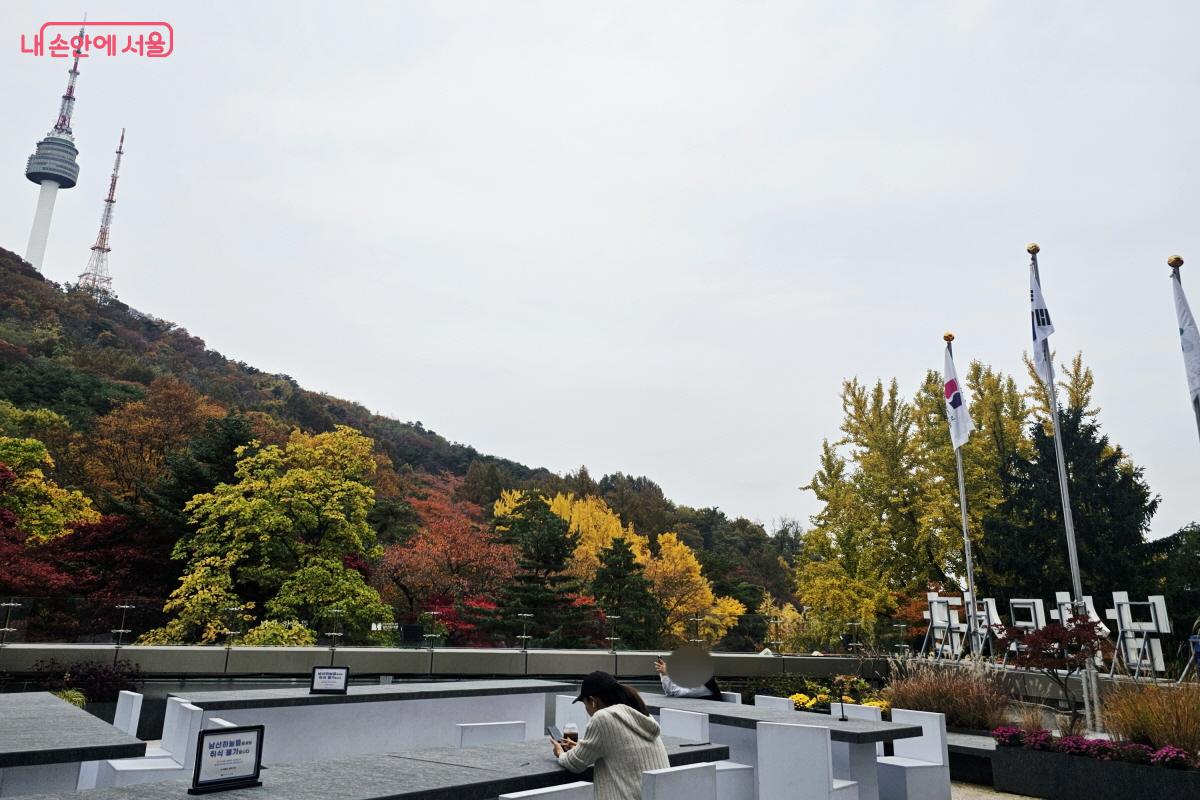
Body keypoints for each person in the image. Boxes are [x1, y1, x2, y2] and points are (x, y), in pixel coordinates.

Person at [552, 670, 669, 800]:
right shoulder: (641, 714)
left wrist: (560, 753)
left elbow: (575, 763)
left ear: (592, 701)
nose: (586, 710)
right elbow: (624, 748)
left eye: (585, 704)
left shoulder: (603, 718)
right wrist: (581, 746)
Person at [654, 657, 723, 700]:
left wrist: (666, 674)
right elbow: (670, 693)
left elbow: (678, 693)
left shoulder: (704, 682)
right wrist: (663, 674)